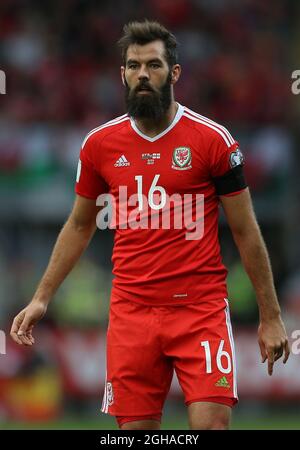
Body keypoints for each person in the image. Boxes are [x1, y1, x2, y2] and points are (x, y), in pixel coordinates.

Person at [10, 20, 290, 430]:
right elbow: (79, 225)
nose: (143, 74)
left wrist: (270, 316)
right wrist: (41, 297)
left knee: (213, 425)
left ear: (174, 73)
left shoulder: (212, 140)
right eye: (134, 65)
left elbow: (247, 230)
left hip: (200, 310)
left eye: (154, 65)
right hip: (132, 314)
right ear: (122, 73)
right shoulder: (99, 145)